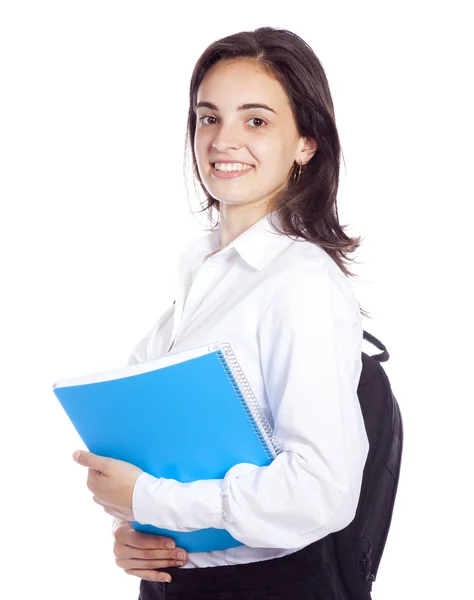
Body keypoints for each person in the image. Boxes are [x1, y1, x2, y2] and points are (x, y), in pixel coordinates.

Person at [73, 26, 371, 599]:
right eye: (209, 118)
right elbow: (152, 459)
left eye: (255, 121)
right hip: (176, 581)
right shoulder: (200, 275)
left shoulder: (301, 280)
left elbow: (322, 490)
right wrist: (133, 532)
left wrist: (151, 500)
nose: (222, 140)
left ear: (306, 143)